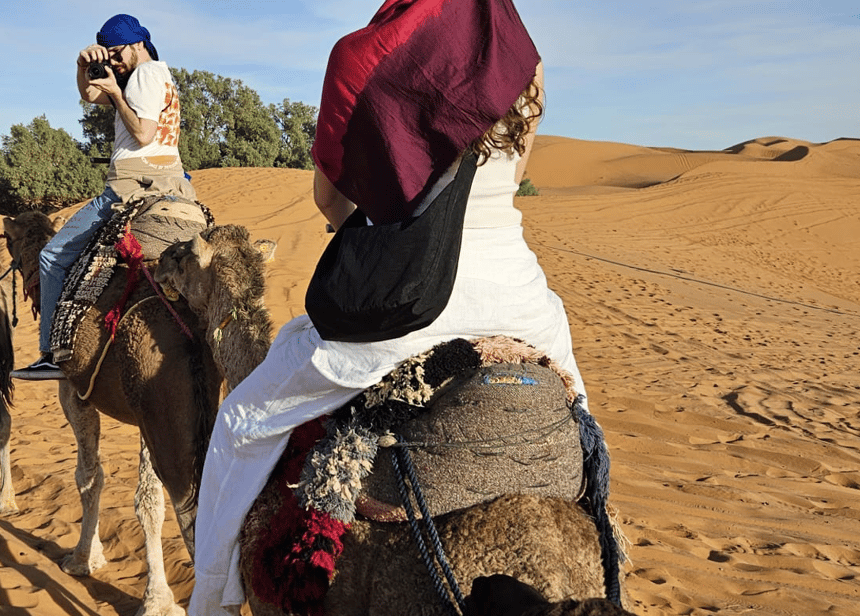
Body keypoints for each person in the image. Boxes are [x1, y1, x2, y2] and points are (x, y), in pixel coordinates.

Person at [186, 1, 597, 614]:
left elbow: (332, 201)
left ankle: (212, 598)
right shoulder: (521, 50)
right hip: (521, 300)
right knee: (580, 424)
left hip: (404, 313)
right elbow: (513, 178)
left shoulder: (364, 56)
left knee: (241, 422)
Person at [12, 13, 194, 380]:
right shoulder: (158, 75)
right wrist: (83, 67)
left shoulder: (142, 75)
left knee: (51, 256)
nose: (112, 61)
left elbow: (142, 134)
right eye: (106, 56)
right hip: (173, 183)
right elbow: (90, 95)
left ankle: (52, 353)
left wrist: (115, 92)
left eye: (116, 53)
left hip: (130, 185)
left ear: (138, 43)